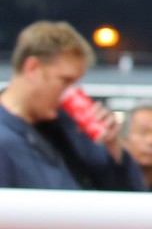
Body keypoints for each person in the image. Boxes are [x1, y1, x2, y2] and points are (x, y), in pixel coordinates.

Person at [0, 20, 142, 190]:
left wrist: (112, 148)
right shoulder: (7, 137)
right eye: (65, 81)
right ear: (32, 68)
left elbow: (126, 198)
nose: (70, 94)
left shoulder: (68, 130)